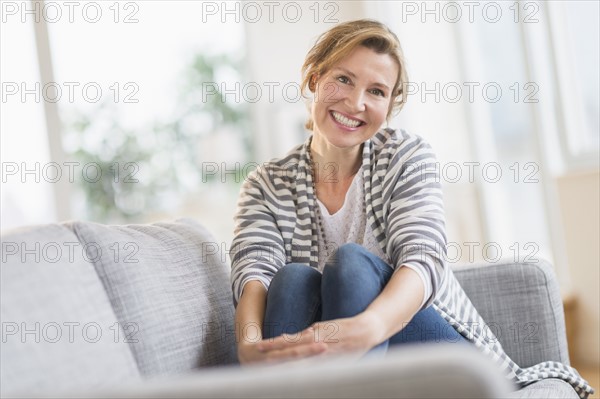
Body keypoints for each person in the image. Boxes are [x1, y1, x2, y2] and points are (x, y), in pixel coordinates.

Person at [229, 19, 593, 398]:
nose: (356, 103)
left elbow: (424, 258)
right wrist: (249, 345)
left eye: (377, 91)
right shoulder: (265, 184)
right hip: (326, 364)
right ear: (315, 79)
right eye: (344, 79)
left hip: (427, 350)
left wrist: (370, 327)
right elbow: (254, 274)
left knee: (351, 263)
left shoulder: (405, 156)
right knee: (290, 280)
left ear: (390, 105)